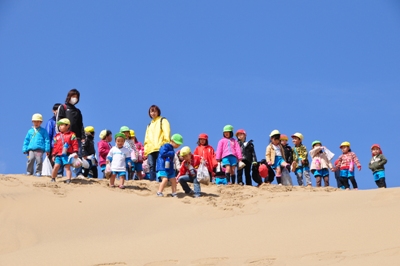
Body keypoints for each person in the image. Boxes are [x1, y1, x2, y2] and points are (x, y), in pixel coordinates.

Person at [57, 89, 85, 178]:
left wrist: (82, 136)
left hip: (76, 137)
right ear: (69, 96)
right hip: (64, 136)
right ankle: (60, 173)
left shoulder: (78, 111)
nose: (75, 98)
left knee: (78, 154)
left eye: (76, 97)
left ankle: (79, 173)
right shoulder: (63, 107)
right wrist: (59, 133)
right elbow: (58, 121)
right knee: (62, 153)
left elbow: (81, 125)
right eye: (73, 96)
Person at [144, 105, 171, 181]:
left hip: (160, 147)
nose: (153, 113)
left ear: (158, 112)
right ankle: (152, 181)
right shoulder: (149, 125)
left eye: (155, 111)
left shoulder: (163, 120)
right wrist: (146, 150)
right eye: (151, 111)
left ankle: (161, 181)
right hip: (150, 149)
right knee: (151, 166)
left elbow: (166, 132)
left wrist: (165, 144)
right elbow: (146, 138)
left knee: (160, 165)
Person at [51, 118, 79, 183]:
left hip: (67, 154)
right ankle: (53, 178)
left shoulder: (72, 134)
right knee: (56, 166)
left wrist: (75, 152)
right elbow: (55, 146)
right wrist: (53, 154)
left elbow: (75, 143)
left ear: (67, 126)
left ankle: (69, 179)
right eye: (59, 125)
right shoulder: (57, 136)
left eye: (62, 125)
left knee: (67, 167)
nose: (60, 127)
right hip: (58, 154)